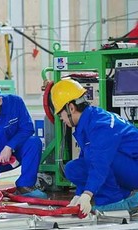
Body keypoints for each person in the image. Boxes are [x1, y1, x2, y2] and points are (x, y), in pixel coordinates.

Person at [51, 78, 138, 214]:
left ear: (71, 108)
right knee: (72, 168)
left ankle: (116, 202)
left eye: (60, 114)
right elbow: (85, 161)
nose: (61, 119)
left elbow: (100, 163)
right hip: (125, 167)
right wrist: (79, 194)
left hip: (134, 168)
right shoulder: (87, 122)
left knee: (99, 159)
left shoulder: (101, 125)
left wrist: (88, 194)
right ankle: (122, 193)